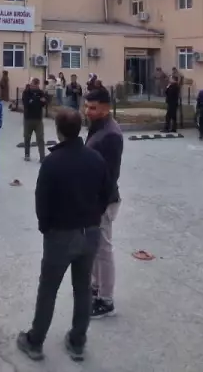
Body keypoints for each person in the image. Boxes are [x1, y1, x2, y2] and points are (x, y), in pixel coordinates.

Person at [16, 108, 110, 362]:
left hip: (60, 235)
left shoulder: (52, 162)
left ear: (58, 130)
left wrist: (46, 227)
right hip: (90, 232)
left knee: (48, 289)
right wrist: (94, 217)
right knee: (83, 288)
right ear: (80, 128)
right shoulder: (95, 159)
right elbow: (107, 194)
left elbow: (42, 201)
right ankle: (77, 341)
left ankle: (35, 341)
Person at [83, 87, 123, 319]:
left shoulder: (111, 135)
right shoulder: (98, 126)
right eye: (86, 107)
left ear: (106, 109)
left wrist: (97, 205)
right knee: (95, 248)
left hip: (103, 202)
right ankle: (96, 287)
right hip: (93, 200)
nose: (87, 111)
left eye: (93, 108)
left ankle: (106, 300)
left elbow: (111, 175)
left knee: (104, 250)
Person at [21, 78, 48, 162]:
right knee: (27, 137)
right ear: (31, 84)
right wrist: (37, 100)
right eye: (33, 84)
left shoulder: (41, 92)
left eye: (36, 85)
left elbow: (44, 103)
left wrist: (38, 101)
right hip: (28, 119)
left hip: (38, 119)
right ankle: (27, 154)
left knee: (40, 138)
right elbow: (26, 104)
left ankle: (42, 157)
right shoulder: (26, 92)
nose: (35, 86)